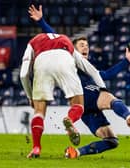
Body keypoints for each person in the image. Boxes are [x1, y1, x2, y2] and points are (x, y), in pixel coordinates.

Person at [28, 4, 130, 158]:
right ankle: (128, 116)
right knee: (109, 97)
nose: (86, 48)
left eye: (87, 46)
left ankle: (76, 152)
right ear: (72, 49)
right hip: (86, 93)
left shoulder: (89, 69)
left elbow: (106, 75)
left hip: (83, 110)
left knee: (111, 140)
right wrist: (42, 22)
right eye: (82, 45)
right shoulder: (71, 61)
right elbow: (55, 39)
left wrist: (126, 61)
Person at [20, 32, 107, 158]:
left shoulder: (34, 41)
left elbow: (23, 75)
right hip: (65, 59)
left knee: (39, 112)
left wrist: (29, 96)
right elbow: (92, 70)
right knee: (78, 104)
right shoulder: (66, 41)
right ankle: (70, 120)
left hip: (41, 62)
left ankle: (36, 148)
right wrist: (104, 90)